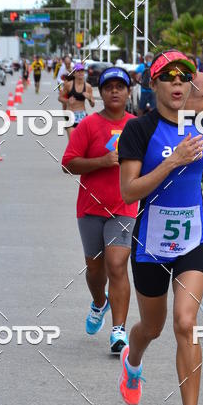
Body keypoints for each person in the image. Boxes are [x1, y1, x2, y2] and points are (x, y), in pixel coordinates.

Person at [117, 49, 203, 405]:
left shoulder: (197, 125)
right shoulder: (138, 130)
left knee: (185, 322)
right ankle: (133, 361)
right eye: (168, 76)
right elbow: (129, 191)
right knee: (151, 327)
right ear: (153, 84)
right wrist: (172, 163)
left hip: (195, 236)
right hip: (151, 241)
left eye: (183, 77)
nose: (176, 83)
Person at [61, 67, 136, 354]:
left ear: (128, 92)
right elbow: (68, 163)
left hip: (124, 207)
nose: (114, 91)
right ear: (101, 93)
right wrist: (102, 162)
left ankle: (119, 331)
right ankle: (99, 302)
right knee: (95, 270)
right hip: (90, 207)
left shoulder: (137, 126)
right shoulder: (89, 125)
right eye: (109, 87)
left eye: (120, 86)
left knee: (117, 264)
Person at [184, 54, 203, 191]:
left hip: (201, 117)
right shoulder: (180, 80)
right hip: (183, 117)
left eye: (191, 66)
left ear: (196, 66)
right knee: (186, 146)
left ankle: (202, 178)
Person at [58, 62, 95, 139]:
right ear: (74, 73)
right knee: (72, 140)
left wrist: (89, 98)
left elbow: (92, 105)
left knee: (82, 141)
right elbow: (60, 98)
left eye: (82, 71)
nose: (80, 73)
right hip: (70, 115)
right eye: (78, 71)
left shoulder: (88, 87)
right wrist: (67, 101)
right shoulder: (69, 85)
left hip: (82, 116)